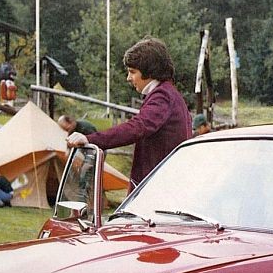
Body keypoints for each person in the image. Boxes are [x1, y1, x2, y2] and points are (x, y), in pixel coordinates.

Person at [66, 37, 191, 188]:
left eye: (132, 72)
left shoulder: (162, 96)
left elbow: (138, 127)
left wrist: (90, 139)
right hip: (164, 183)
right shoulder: (170, 94)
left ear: (150, 71)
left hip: (158, 187)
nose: (128, 78)